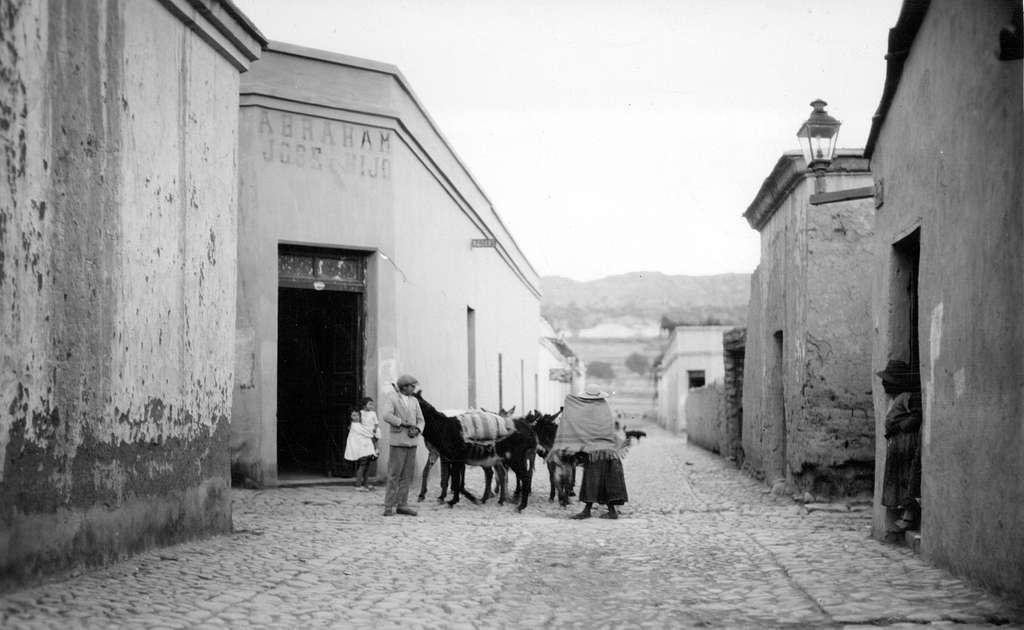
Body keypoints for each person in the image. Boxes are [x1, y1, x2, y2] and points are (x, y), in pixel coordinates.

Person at [550, 384, 629, 520]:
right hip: (609, 450)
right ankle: (611, 511)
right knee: (608, 480)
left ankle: (587, 511)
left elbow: (580, 426)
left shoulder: (585, 409)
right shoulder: (604, 406)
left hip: (594, 453)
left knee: (592, 480)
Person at [876, 359, 922, 535]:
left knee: (905, 480)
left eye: (887, 380)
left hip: (905, 444)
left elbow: (917, 416)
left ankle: (908, 515)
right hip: (897, 445)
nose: (883, 383)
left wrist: (900, 427)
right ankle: (904, 512)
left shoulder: (907, 397)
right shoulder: (897, 399)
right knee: (898, 479)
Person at [379, 374, 425, 516]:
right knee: (394, 474)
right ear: (405, 386)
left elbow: (421, 420)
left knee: (407, 475)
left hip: (412, 442)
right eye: (412, 386)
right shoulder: (392, 398)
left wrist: (417, 429)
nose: (414, 388)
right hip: (398, 441)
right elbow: (386, 415)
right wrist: (402, 423)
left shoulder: (414, 401)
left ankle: (402, 505)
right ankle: (388, 506)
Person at [344, 397, 380, 491]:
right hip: (363, 448)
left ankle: (365, 483)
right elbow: (367, 433)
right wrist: (373, 433)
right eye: (353, 416)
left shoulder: (358, 425)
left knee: (366, 465)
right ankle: (358, 484)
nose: (356, 417)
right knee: (363, 465)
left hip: (366, 447)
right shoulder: (355, 426)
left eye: (357, 416)